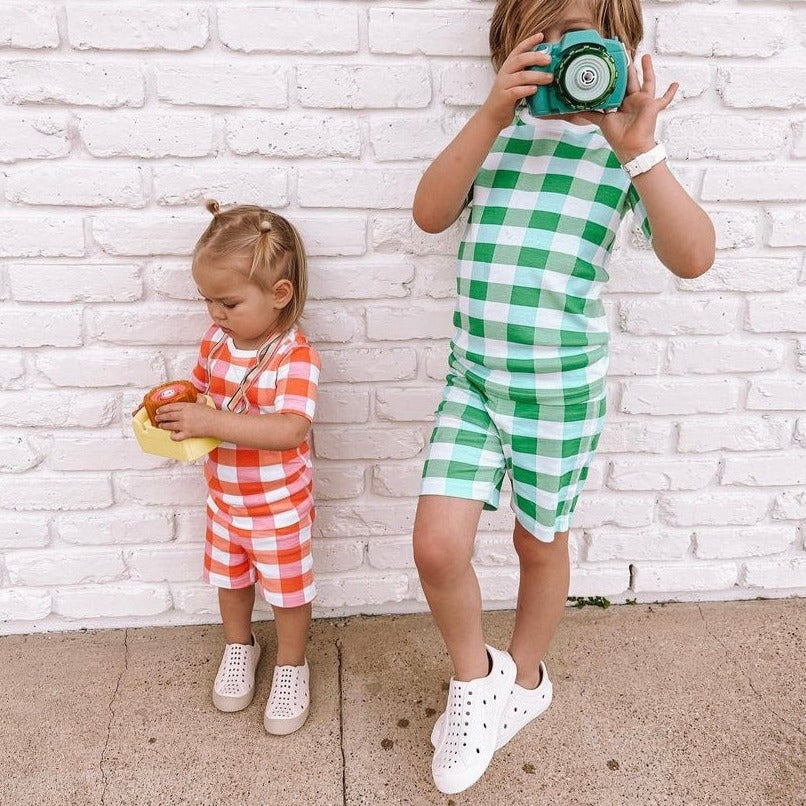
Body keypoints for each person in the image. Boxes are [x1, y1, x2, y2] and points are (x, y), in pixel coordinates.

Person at [411, 0, 715, 794]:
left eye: (583, 35)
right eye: (542, 34)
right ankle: (475, 680)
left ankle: (525, 679)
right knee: (437, 546)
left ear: (618, 50)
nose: (563, 50)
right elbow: (430, 213)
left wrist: (640, 151)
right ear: (509, 46)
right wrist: (491, 113)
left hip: (560, 396)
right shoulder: (498, 132)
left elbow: (693, 257)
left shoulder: (620, 154)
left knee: (538, 542)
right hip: (474, 382)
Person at [154, 201, 321, 736]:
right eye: (207, 300)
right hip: (224, 500)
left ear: (280, 293)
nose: (215, 313)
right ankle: (239, 646)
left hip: (278, 508)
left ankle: (292, 666)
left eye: (227, 302)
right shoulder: (216, 341)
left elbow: (290, 429)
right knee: (230, 581)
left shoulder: (294, 356)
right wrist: (177, 407)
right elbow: (202, 389)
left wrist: (211, 420)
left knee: (287, 592)